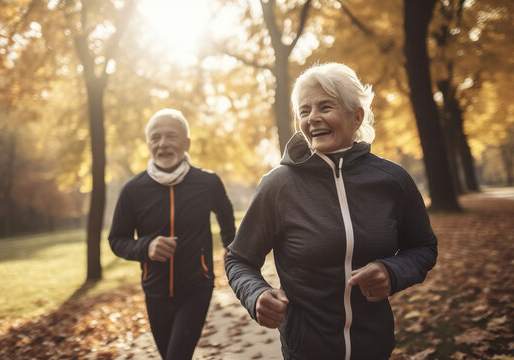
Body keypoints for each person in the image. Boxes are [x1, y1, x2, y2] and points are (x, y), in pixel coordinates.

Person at [225, 63, 437, 360]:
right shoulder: (278, 186)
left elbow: (424, 247)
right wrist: (256, 294)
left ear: (357, 117)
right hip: (306, 349)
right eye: (304, 110)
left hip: (374, 346)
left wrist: (393, 271)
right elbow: (238, 260)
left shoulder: (393, 181)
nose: (313, 118)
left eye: (325, 107)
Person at [109, 109, 236, 360]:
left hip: (196, 286)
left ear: (187, 142)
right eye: (155, 137)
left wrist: (230, 245)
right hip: (155, 290)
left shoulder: (207, 183)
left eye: (171, 136)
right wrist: (146, 247)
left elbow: (225, 212)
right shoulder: (132, 190)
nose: (163, 144)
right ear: (148, 145)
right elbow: (116, 240)